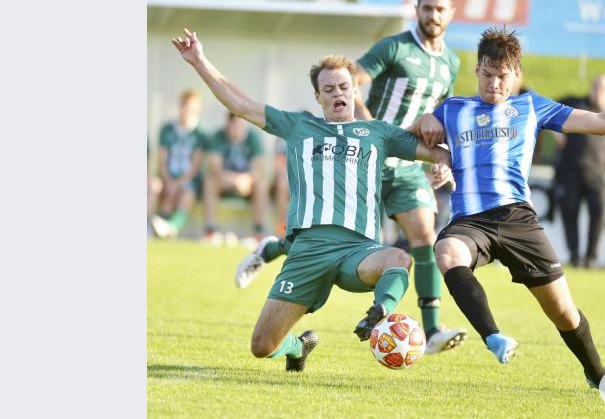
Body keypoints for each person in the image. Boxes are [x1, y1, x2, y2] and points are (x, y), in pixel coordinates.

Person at [171, 28, 453, 372]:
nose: (338, 94)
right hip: (306, 251)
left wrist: (442, 165)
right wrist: (199, 61)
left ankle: (380, 315)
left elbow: (436, 152)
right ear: (318, 97)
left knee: (397, 257)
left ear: (354, 90)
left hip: (358, 250)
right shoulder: (298, 126)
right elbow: (240, 104)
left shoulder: (377, 133)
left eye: (344, 87)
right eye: (329, 89)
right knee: (262, 346)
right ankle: (297, 347)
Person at [411, 27, 605, 396]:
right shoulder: (453, 109)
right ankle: (492, 335)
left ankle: (599, 374)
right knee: (446, 252)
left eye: (503, 76)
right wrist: (427, 121)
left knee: (563, 312)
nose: (495, 83)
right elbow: (413, 135)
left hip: (517, 220)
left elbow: (602, 123)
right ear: (477, 70)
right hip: (469, 220)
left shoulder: (531, 107)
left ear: (516, 75)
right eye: (488, 75)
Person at [234, 0, 467, 356]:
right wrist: (368, 132)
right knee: (329, 223)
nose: (433, 15)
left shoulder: (451, 63)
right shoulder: (394, 46)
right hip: (367, 155)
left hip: (404, 159)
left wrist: (440, 157)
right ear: (417, 10)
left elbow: (438, 113)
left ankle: (432, 328)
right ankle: (278, 246)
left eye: (441, 9)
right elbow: (352, 77)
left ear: (451, 14)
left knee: (423, 235)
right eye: (427, 7)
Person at [554, 74, 605, 268]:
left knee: (598, 215)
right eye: (596, 87)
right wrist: (555, 134)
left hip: (600, 175)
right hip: (570, 172)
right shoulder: (575, 103)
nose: (598, 92)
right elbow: (547, 111)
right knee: (570, 214)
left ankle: (591, 258)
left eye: (604, 89)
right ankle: (574, 255)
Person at [202, 112, 268, 244]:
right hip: (225, 181)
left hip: (247, 184)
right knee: (209, 182)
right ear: (228, 124)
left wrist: (246, 179)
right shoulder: (218, 136)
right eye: (234, 125)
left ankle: (258, 231)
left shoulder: (253, 137)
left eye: (240, 125)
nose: (237, 129)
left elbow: (259, 168)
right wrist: (233, 179)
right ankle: (211, 230)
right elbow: (215, 166)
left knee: (261, 184)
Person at [151, 90, 207, 239]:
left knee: (187, 192)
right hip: (168, 175)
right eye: (184, 106)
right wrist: (168, 180)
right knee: (158, 187)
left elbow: (195, 166)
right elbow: (161, 160)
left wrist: (178, 183)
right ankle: (155, 225)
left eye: (191, 107)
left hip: (187, 178)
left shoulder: (200, 134)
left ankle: (171, 226)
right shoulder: (167, 129)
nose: (186, 111)